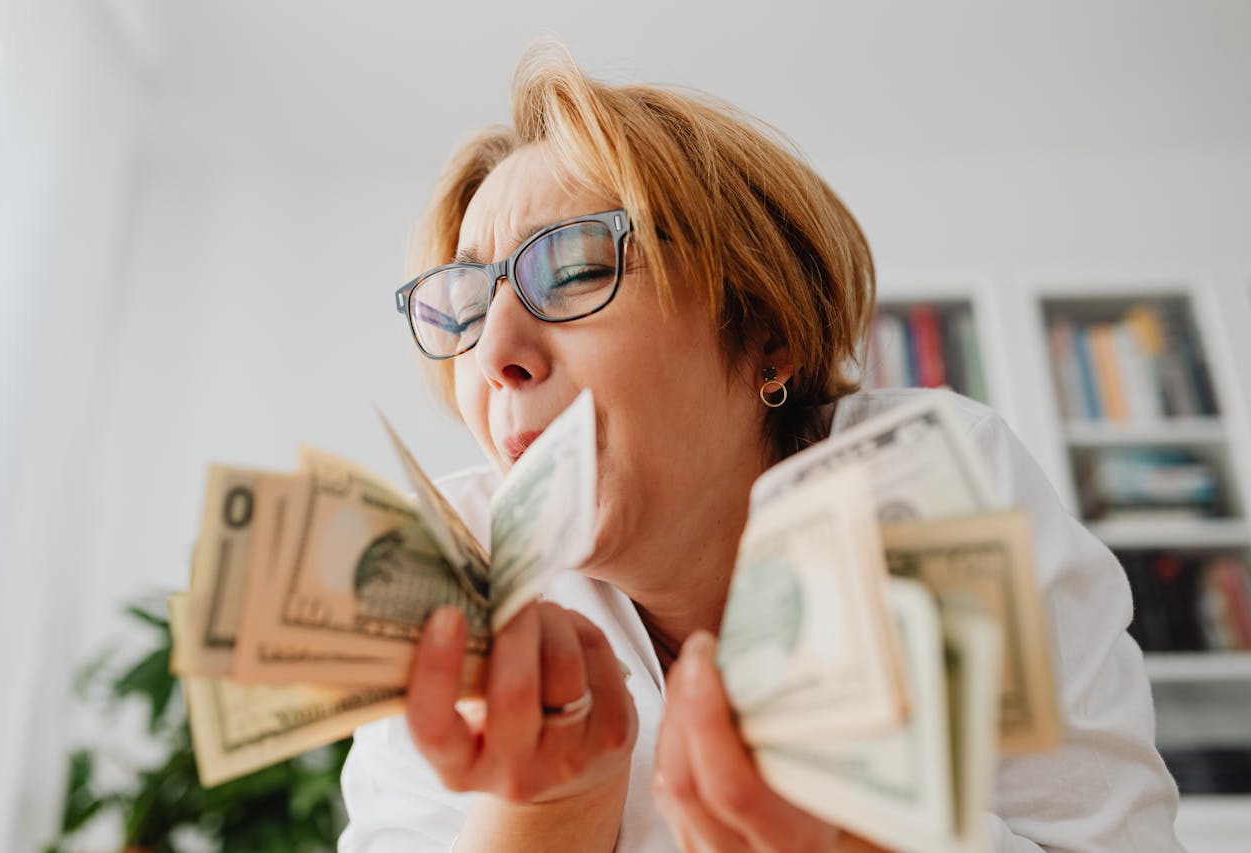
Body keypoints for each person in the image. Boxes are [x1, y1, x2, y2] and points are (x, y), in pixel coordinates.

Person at [339, 41, 1182, 852]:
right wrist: (552, 805)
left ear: (766, 335)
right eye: (466, 306)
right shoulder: (445, 568)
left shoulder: (936, 487)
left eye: (573, 269)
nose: (494, 355)